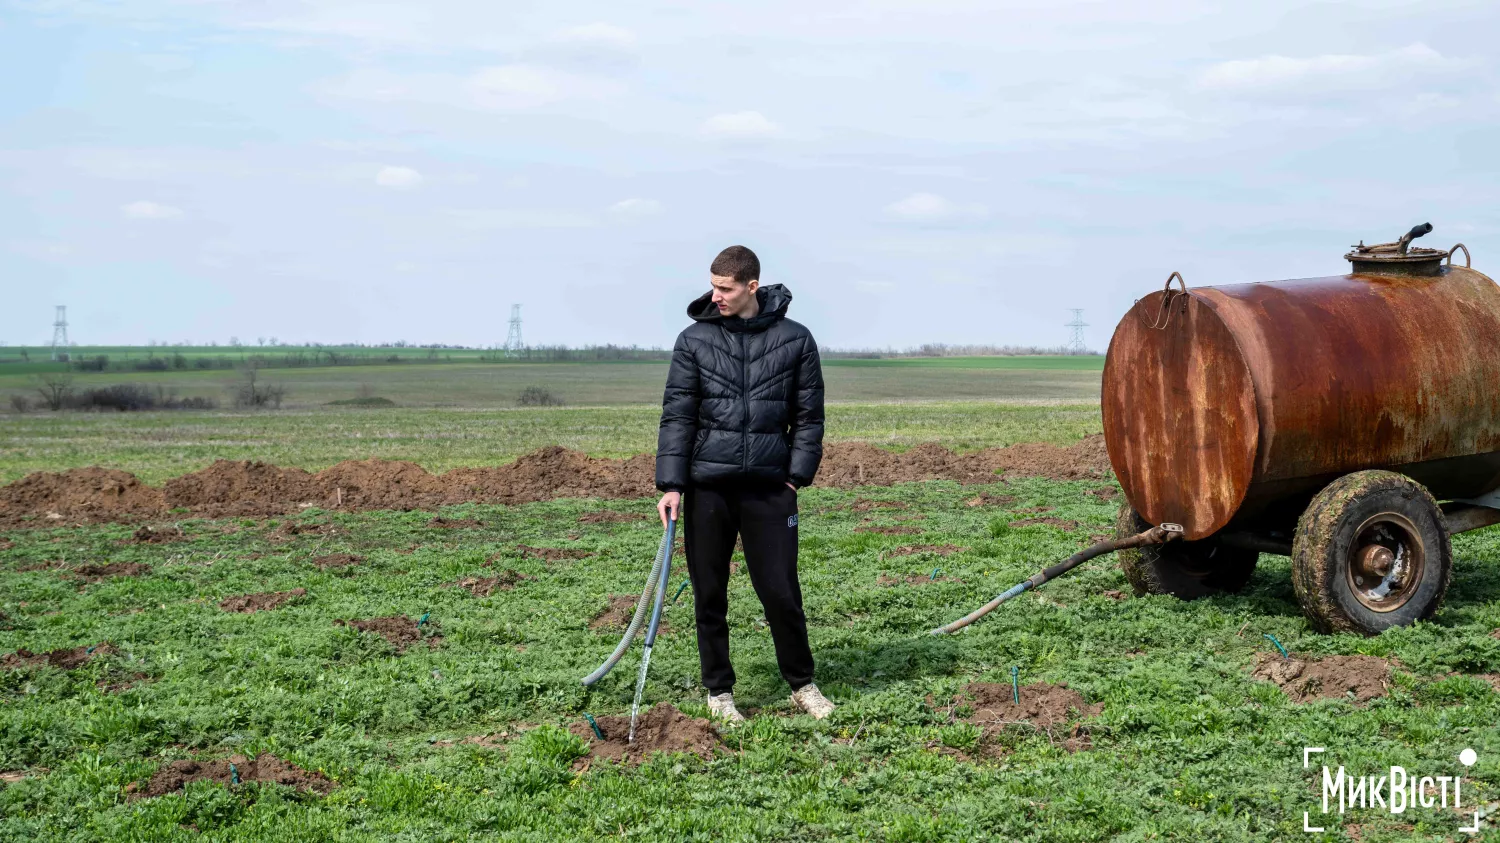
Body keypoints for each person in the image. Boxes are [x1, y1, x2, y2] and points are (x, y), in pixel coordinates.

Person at [655, 245, 835, 723]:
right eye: (713, 286)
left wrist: (796, 478)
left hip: (770, 489)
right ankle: (719, 693)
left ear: (752, 286)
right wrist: (670, 485)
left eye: (726, 288)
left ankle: (802, 684)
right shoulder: (693, 341)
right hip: (707, 488)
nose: (716, 296)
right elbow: (678, 415)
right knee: (709, 593)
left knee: (780, 590)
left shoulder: (796, 340)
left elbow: (809, 417)